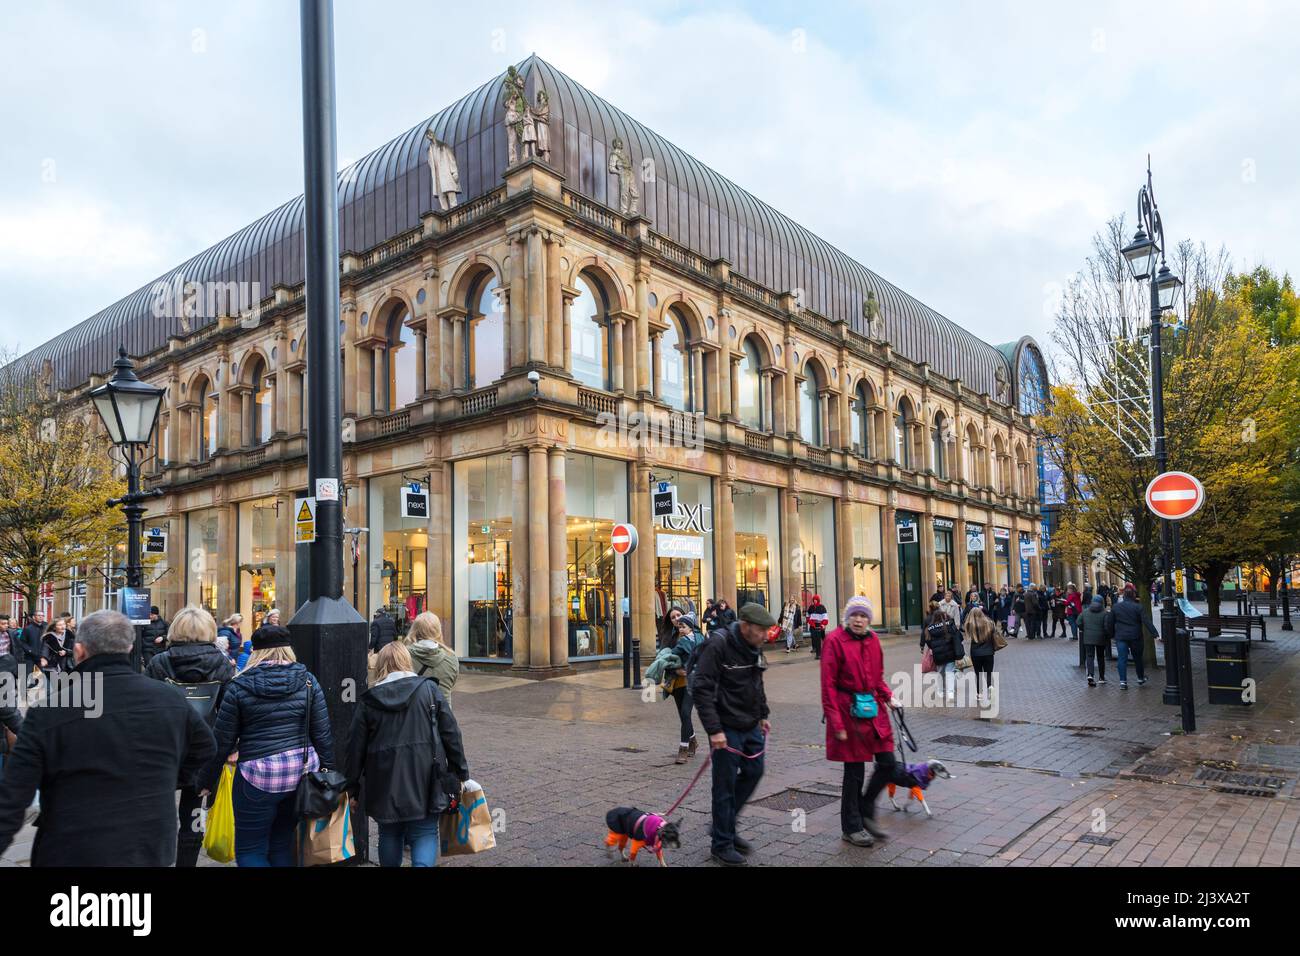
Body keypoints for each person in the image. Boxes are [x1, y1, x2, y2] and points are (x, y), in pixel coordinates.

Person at [0, 610, 216, 866]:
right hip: (148, 844)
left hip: (72, 846)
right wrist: (170, 777)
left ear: (79, 651)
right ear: (130, 647)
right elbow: (205, 746)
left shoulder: (49, 711)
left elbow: (13, 796)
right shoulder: (169, 699)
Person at [199, 623, 335, 867]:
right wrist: (327, 772)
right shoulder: (307, 681)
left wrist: (207, 780)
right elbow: (322, 732)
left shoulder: (239, 685)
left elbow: (222, 740)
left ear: (256, 652)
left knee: (251, 848)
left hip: (257, 776)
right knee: (281, 843)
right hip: (301, 773)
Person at [346, 642, 468, 868]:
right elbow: (451, 732)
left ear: (381, 665)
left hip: (384, 777)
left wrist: (352, 787)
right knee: (424, 832)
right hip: (426, 776)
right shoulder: (429, 690)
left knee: (389, 832)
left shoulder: (369, 700)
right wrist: (460, 772)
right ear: (406, 660)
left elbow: (355, 747)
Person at [145, 605, 236, 867]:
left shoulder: (159, 662)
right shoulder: (221, 662)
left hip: (164, 749)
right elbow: (229, 711)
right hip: (204, 749)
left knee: (157, 813)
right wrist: (232, 747)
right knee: (193, 816)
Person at [819, 595, 911, 846]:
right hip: (847, 713)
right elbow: (827, 686)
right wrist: (836, 723)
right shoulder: (834, 641)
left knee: (888, 762)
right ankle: (851, 827)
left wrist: (889, 697)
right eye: (854, 615)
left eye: (863, 616)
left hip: (873, 711)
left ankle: (866, 807)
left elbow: (877, 677)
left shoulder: (873, 640)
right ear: (847, 618)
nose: (858, 620)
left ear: (869, 619)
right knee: (854, 772)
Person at [690, 602, 772, 866]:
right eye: (761, 631)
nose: (765, 636)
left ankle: (723, 826)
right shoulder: (719, 644)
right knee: (724, 786)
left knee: (754, 771)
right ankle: (722, 844)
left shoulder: (754, 647)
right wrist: (714, 730)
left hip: (750, 724)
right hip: (725, 727)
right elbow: (701, 687)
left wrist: (762, 714)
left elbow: (756, 682)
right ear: (746, 626)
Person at [667, 613, 707, 763]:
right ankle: (693, 740)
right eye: (674, 618)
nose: (679, 626)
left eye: (682, 625)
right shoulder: (671, 637)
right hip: (677, 681)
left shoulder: (699, 638)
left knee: (685, 712)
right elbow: (666, 657)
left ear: (690, 626)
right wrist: (675, 670)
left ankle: (683, 749)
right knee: (684, 715)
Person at [397, 611, 460, 692]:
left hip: (414, 704)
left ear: (414, 629)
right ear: (438, 630)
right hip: (441, 704)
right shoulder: (451, 658)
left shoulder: (402, 656)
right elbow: (452, 683)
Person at [1110, 584, 1151, 689]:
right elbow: (1146, 621)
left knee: (1122, 658)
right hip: (1135, 636)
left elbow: (1110, 622)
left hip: (1121, 636)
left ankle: (1123, 682)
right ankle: (1140, 678)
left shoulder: (1116, 607)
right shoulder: (1138, 607)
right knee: (1138, 658)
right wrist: (1155, 634)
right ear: (1133, 595)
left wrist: (1111, 634)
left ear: (1124, 595)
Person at [921, 601, 963, 702]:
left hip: (938, 654)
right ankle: (950, 693)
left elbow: (928, 642)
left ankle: (940, 692)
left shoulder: (929, 629)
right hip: (949, 653)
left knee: (940, 672)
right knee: (950, 673)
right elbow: (956, 637)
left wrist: (933, 647)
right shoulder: (948, 625)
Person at [964, 605, 999, 705]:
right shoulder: (990, 623)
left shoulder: (970, 625)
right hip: (988, 652)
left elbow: (965, 627)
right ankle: (990, 687)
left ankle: (979, 693)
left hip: (976, 653)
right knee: (988, 672)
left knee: (978, 673)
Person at [1079, 594, 1113, 687]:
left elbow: (1078, 622)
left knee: (1089, 656)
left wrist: (1084, 629)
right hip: (1101, 638)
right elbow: (1107, 627)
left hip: (1088, 638)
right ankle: (1101, 677)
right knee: (1100, 657)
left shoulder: (1085, 612)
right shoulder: (1105, 613)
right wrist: (1108, 635)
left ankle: (1090, 674)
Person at [805, 595, 829, 660]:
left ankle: (824, 649)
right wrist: (808, 620)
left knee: (821, 637)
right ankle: (817, 652)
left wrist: (823, 624)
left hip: (820, 625)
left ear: (818, 600)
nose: (815, 601)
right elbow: (808, 614)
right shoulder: (811, 607)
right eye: (814, 600)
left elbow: (825, 617)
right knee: (814, 637)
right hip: (813, 625)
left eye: (816, 600)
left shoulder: (822, 607)